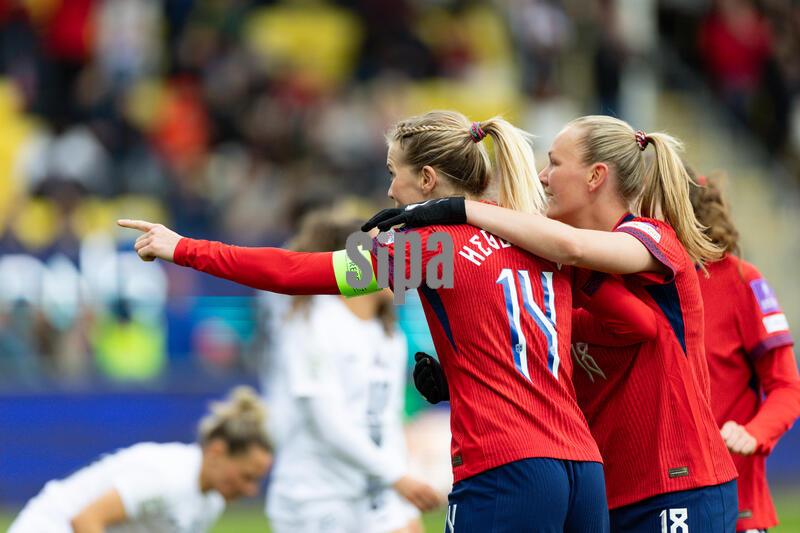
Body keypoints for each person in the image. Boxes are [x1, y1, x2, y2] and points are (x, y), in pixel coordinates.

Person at [118, 110, 658, 532]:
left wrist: (184, 247)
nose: (388, 192)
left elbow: (299, 271)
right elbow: (630, 322)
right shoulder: (532, 238)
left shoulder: (433, 247)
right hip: (583, 467)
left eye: (392, 176)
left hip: (505, 465)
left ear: (425, 179)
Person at [362, 115, 740, 532]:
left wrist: (461, 210)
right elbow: (554, 346)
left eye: (555, 164)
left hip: (677, 480)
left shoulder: (650, 238)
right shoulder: (557, 270)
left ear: (596, 176)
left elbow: (584, 259)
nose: (542, 177)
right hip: (608, 486)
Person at [262, 208, 434, 533]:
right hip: (317, 496)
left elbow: (388, 419)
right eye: (384, 253)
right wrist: (395, 476)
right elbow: (328, 421)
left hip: (374, 489)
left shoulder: (388, 334)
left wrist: (400, 478)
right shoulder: (311, 325)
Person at [689, 173, 800, 533]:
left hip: (737, 505)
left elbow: (787, 386)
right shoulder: (631, 286)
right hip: (650, 505)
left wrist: (754, 433)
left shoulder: (740, 280)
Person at [9, 386, 273, 533]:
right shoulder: (168, 477)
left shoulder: (211, 502)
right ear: (217, 452)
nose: (250, 490)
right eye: (246, 476)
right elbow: (85, 521)